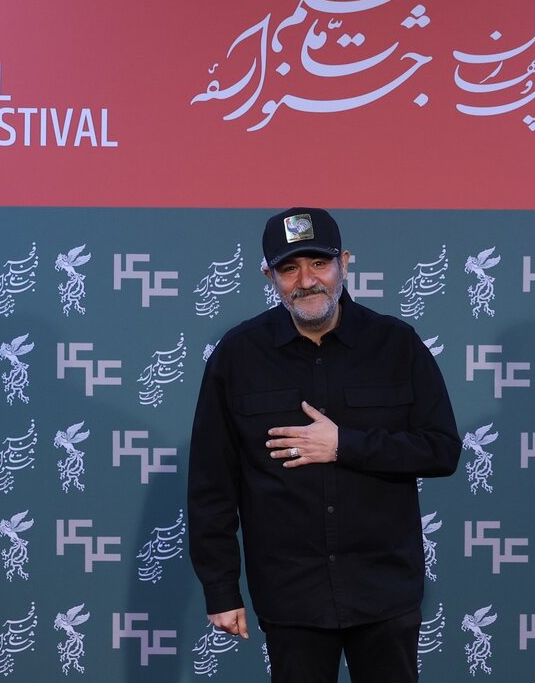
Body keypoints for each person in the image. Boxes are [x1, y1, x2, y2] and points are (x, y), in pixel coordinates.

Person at [187, 207, 461, 683]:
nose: (307, 280)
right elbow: (212, 484)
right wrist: (221, 589)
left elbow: (441, 450)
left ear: (344, 263)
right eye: (289, 268)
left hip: (384, 590)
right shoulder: (238, 355)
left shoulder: (396, 344)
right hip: (290, 594)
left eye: (319, 263)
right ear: (270, 277)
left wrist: (344, 445)